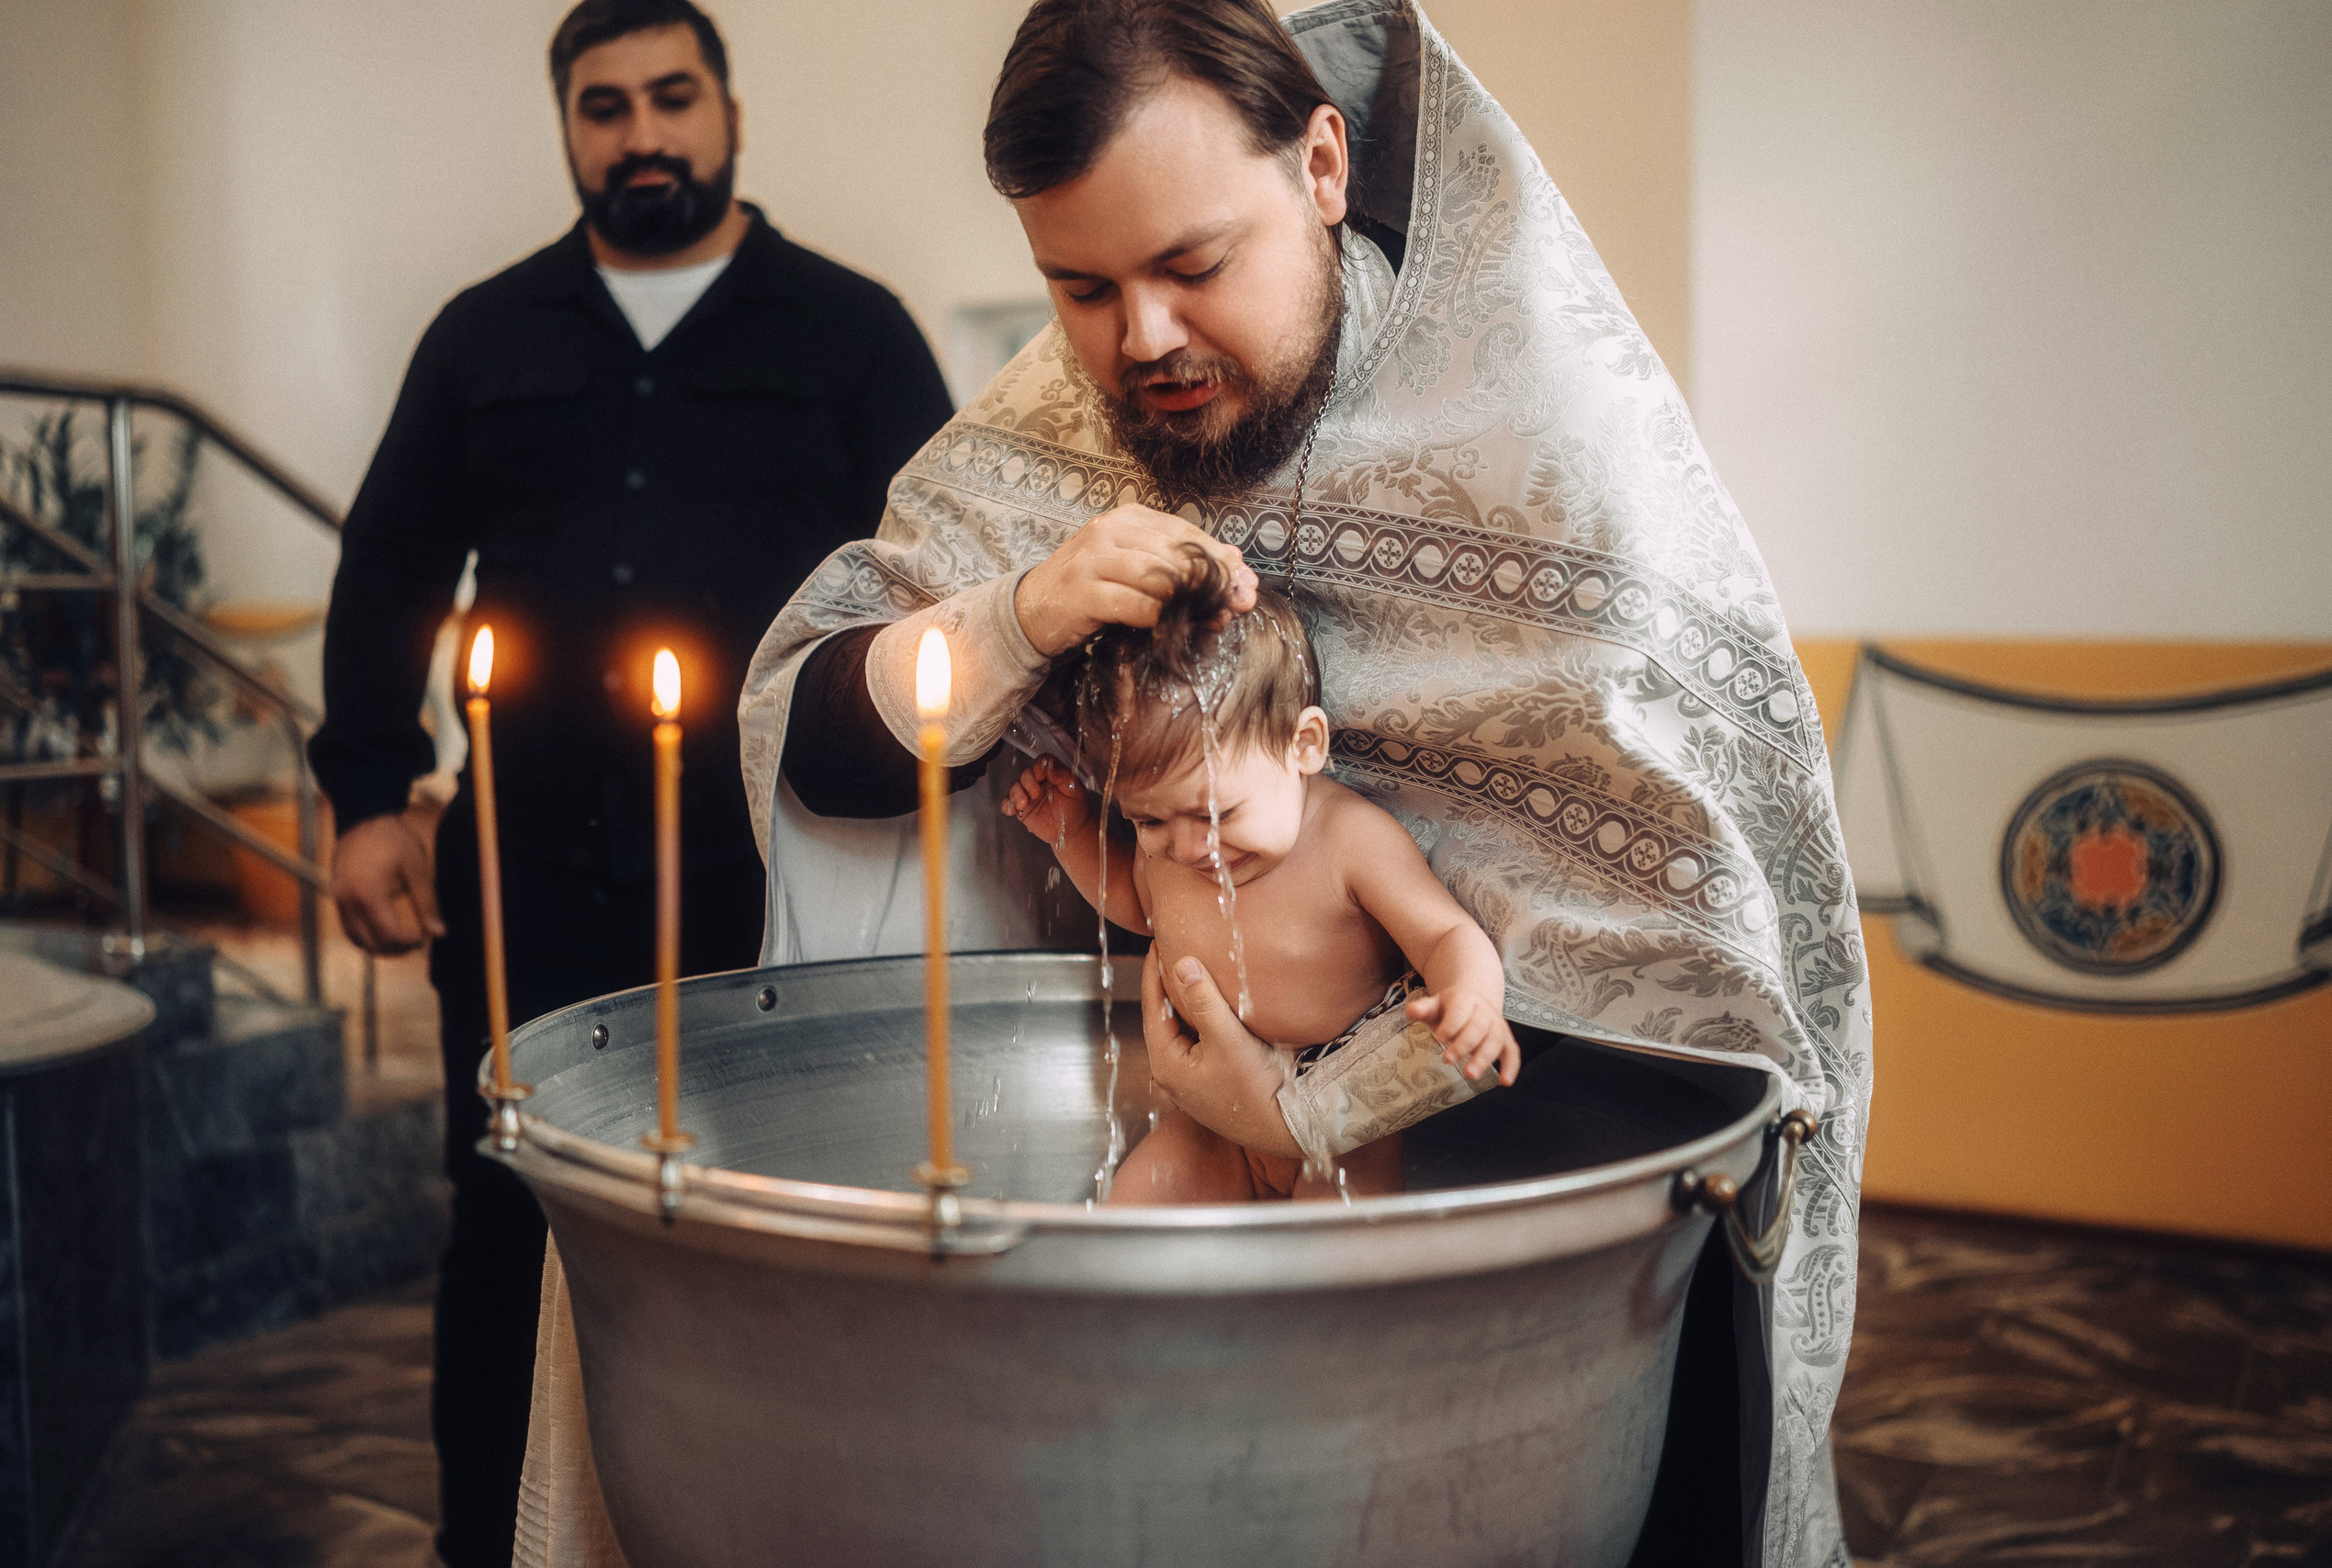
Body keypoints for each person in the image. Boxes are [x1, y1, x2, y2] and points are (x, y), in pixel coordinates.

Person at [727, 3, 1871, 1562]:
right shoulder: (1043, 440)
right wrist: (1017, 617)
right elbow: (822, 736)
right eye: (1080, 288)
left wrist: (1303, 1107)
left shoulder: (1560, 453)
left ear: (1323, 162)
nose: (1140, 341)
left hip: (1510, 1295)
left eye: (1195, 267)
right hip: (1172, 1257)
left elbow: (1687, 1002)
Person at [305, 1, 952, 1562]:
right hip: (525, 869)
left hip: (771, 864)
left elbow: (948, 566)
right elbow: (392, 562)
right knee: (503, 1220)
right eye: (606, 107)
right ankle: (495, 1542)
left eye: (673, 97)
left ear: (729, 109)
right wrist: (371, 791)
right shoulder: (485, 333)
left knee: (766, 1225)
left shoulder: (850, 330)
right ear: (569, 129)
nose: (642, 133)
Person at [1000, 555, 1517, 1201]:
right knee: (1128, 1221)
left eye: (1216, 813)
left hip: (1342, 1127)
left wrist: (1472, 997)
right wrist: (1073, 833)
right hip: (1212, 1125)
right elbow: (1136, 904)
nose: (1190, 848)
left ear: (1302, 745)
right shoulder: (1170, 848)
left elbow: (1444, 932)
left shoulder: (1348, 840)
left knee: (1327, 1278)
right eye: (1149, 820)